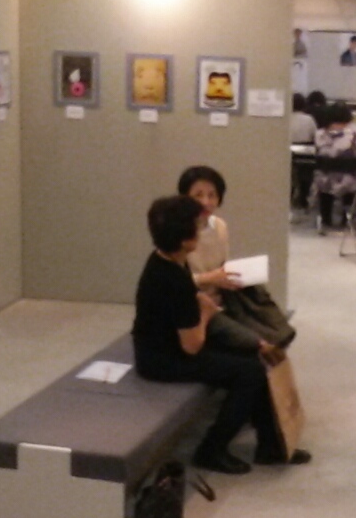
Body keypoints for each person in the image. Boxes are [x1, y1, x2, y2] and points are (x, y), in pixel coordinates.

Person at [132, 195, 310, 474]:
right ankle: (211, 449)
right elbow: (192, 346)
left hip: (168, 344)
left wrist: (249, 338)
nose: (200, 230)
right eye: (196, 226)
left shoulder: (167, 260)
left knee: (253, 358)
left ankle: (271, 445)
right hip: (161, 359)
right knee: (248, 372)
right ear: (185, 239)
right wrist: (205, 312)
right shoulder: (173, 279)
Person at [180, 166, 296, 352]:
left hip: (225, 296)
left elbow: (223, 264)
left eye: (212, 195)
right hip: (196, 303)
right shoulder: (178, 232)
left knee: (270, 320)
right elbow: (173, 283)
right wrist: (210, 278)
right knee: (252, 344)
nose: (205, 202)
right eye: (198, 195)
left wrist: (233, 274)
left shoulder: (220, 226)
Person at [314, 103, 356, 231]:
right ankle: (347, 219)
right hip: (348, 180)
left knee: (325, 180)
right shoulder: (354, 134)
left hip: (325, 179)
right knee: (352, 178)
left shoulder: (319, 134)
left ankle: (326, 219)